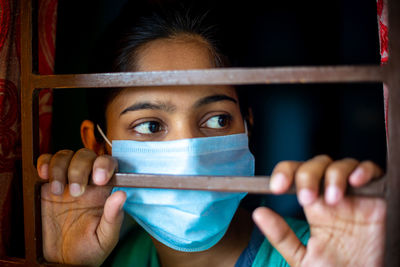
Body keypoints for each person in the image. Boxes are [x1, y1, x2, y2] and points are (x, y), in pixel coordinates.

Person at [36, 5, 386, 267]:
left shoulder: (324, 254)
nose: (191, 155)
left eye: (218, 120)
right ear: (98, 144)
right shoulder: (114, 259)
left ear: (246, 126)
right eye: (151, 126)